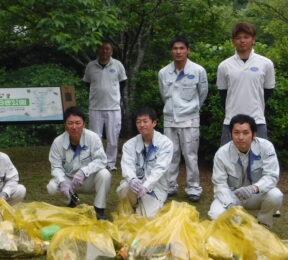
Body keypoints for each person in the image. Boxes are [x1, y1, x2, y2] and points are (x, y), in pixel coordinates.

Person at [208, 114, 283, 228]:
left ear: (253, 134)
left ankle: (264, 224)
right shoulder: (222, 153)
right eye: (236, 132)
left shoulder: (266, 147)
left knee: (276, 195)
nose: (240, 137)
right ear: (230, 134)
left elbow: (272, 176)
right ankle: (233, 229)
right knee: (215, 214)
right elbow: (219, 183)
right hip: (232, 196)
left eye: (245, 133)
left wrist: (254, 188)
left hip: (255, 194)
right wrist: (231, 205)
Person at [158, 36, 208, 202]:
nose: (178, 51)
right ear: (171, 51)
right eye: (175, 48)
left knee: (190, 155)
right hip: (170, 118)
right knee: (170, 154)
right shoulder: (163, 72)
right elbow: (164, 95)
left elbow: (202, 93)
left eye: (181, 48)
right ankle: (169, 186)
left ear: (188, 50)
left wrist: (191, 108)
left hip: (190, 119)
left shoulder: (198, 71)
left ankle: (193, 188)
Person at [47, 106, 111, 220]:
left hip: (87, 180)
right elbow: (55, 167)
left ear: (84, 124)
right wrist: (62, 182)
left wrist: (84, 171)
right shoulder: (58, 142)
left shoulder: (93, 138)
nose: (74, 127)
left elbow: (101, 160)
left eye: (78, 123)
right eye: (70, 123)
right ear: (65, 125)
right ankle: (70, 201)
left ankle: (99, 210)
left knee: (105, 174)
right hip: (69, 181)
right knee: (52, 186)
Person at [217, 22, 275, 146]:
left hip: (257, 121)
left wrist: (255, 103)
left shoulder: (266, 63)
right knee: (228, 161)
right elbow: (223, 93)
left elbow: (268, 90)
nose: (242, 41)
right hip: (231, 122)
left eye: (246, 37)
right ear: (233, 41)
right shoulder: (224, 65)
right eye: (238, 38)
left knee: (259, 161)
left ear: (253, 39)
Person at [116, 107, 173, 217]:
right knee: (123, 189)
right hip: (135, 185)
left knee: (147, 218)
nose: (142, 125)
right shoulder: (129, 144)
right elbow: (127, 165)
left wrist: (146, 186)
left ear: (154, 123)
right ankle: (133, 203)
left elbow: (160, 169)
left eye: (145, 121)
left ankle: (142, 205)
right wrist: (132, 179)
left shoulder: (165, 143)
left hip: (155, 187)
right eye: (138, 122)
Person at [83, 40, 127, 171]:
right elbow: (87, 83)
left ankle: (110, 163)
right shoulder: (91, 66)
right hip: (95, 107)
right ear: (98, 50)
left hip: (113, 107)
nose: (104, 51)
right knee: (95, 138)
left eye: (107, 49)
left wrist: (113, 95)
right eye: (102, 49)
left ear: (111, 51)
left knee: (113, 137)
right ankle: (97, 162)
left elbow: (123, 83)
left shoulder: (118, 65)